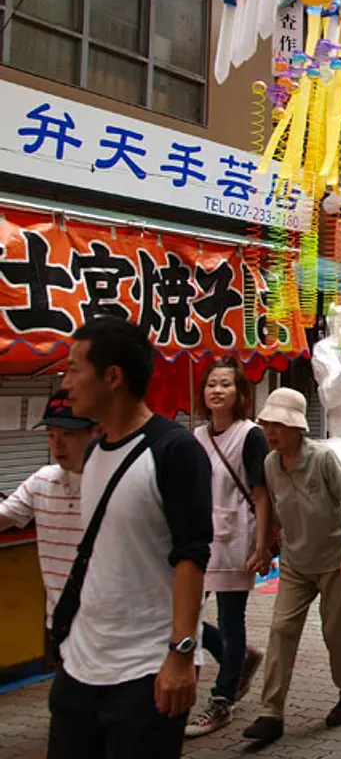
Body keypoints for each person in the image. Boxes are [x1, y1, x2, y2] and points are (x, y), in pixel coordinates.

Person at [50, 317, 212, 759]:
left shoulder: (175, 451)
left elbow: (192, 557)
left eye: (73, 369)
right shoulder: (96, 453)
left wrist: (181, 654)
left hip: (147, 672)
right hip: (81, 666)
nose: (66, 384)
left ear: (113, 377)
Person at [242, 388, 341, 744]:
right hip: (295, 564)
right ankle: (271, 712)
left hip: (334, 564)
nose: (271, 432)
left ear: (298, 427)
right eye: (267, 424)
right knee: (281, 629)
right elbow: (273, 510)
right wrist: (263, 547)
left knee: (337, 634)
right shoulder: (270, 464)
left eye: (279, 425)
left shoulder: (323, 459)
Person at [186, 358, 271, 738]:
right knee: (182, 613)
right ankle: (239, 661)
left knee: (230, 619)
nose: (216, 390)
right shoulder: (197, 437)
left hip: (237, 539)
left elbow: (261, 494)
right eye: (211, 384)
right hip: (199, 540)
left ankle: (223, 700)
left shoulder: (250, 435)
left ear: (240, 393)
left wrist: (262, 543)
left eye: (225, 384)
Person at [0, 391, 95, 636]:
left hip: (109, 626)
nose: (57, 444)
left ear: (95, 432)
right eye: (51, 435)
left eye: (68, 434)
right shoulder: (42, 480)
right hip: (62, 622)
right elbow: (5, 516)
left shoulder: (115, 482)